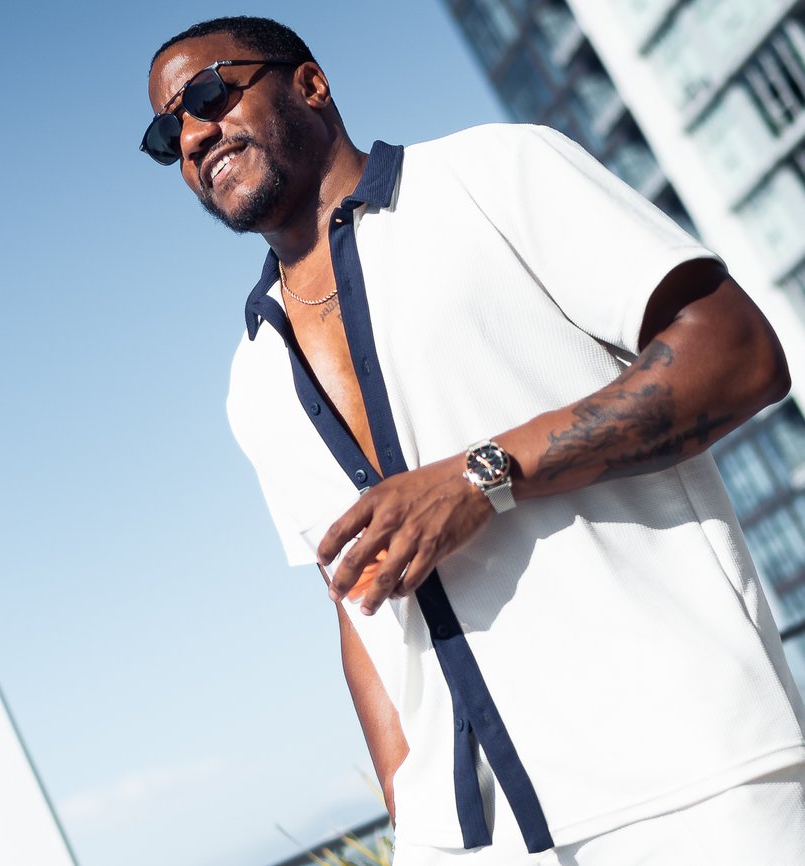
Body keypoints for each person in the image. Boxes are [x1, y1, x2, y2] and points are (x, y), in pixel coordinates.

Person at [142, 15, 805, 866]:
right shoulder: (253, 376)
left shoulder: (496, 173)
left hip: (691, 780)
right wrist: (409, 813)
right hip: (466, 844)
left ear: (309, 83)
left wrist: (483, 474)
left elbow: (737, 352)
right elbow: (352, 605)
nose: (194, 134)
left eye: (209, 93)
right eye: (169, 133)